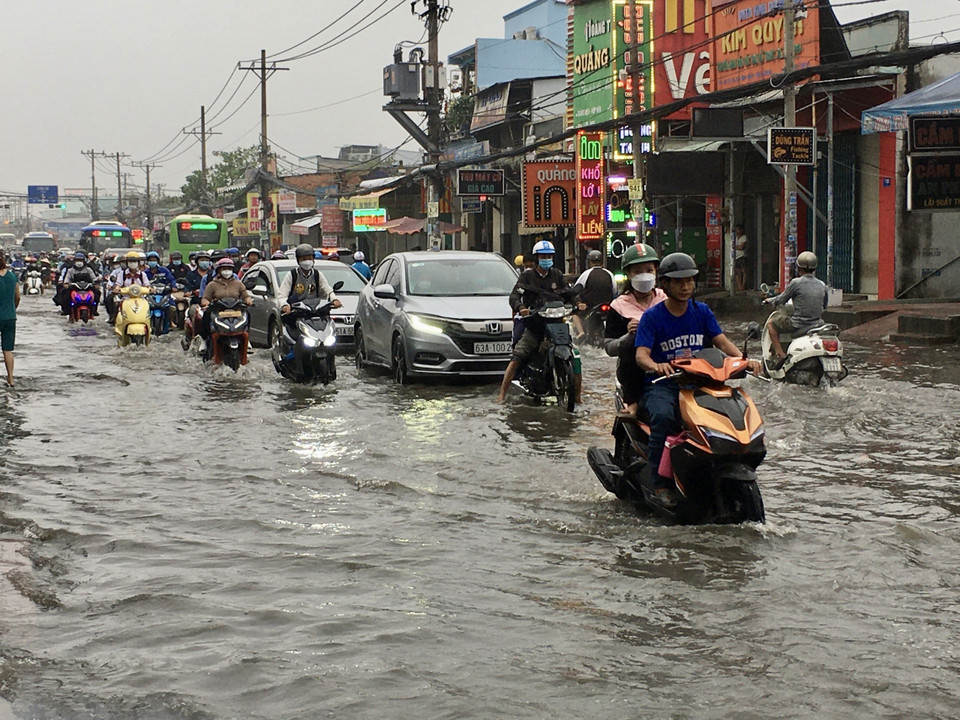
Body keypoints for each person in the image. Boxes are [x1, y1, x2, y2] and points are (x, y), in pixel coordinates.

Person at [634, 252, 760, 506]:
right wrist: (657, 366)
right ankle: (661, 484)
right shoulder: (652, 317)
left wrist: (745, 360)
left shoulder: (701, 311)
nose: (685, 287)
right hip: (665, 385)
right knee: (662, 417)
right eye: (678, 282)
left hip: (702, 383)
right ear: (666, 284)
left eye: (690, 281)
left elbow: (721, 342)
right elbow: (641, 355)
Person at [497, 240, 583, 403]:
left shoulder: (557, 275)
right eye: (543, 256)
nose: (546, 259)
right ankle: (502, 394)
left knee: (575, 356)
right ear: (536, 259)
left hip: (557, 323)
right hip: (535, 324)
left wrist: (578, 303)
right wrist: (521, 307)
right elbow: (514, 296)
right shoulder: (527, 276)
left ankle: (578, 397)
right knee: (518, 356)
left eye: (549, 256)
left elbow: (568, 293)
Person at [603, 243, 666, 416]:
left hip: (667, 360)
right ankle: (632, 402)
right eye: (637, 272)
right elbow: (609, 347)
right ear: (628, 275)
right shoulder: (619, 306)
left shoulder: (666, 300)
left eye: (648, 270)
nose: (644, 276)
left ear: (656, 272)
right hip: (633, 367)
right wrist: (627, 336)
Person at [763, 250, 828, 362]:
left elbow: (781, 299)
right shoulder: (822, 284)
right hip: (818, 324)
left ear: (799, 268)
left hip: (798, 324)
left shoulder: (796, 283)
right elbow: (825, 305)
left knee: (771, 325)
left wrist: (769, 301)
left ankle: (780, 354)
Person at [199, 258, 254, 345]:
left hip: (236, 309)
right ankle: (204, 340)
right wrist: (206, 302)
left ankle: (247, 338)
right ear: (219, 271)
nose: (227, 271)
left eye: (229, 269)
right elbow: (205, 298)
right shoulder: (212, 284)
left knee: (247, 313)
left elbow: (245, 295)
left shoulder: (238, 284)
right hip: (218, 309)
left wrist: (248, 300)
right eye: (224, 269)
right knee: (206, 315)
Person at [278, 244, 342, 314]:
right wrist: (285, 305)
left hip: (315, 312)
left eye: (309, 258)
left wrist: (334, 300)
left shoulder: (317, 275)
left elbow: (327, 290)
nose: (307, 261)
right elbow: (282, 295)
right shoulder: (292, 275)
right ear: (298, 260)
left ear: (313, 259)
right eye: (304, 259)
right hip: (297, 313)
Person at [571, 249, 617, 340]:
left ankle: (581, 333)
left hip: (590, 307)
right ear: (601, 262)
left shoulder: (586, 274)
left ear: (589, 262)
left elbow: (575, 290)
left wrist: (578, 302)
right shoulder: (609, 274)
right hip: (608, 305)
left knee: (574, 314)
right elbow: (615, 290)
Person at [106, 251, 150, 322]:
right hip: (125, 297)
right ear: (127, 262)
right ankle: (114, 318)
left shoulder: (142, 275)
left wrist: (150, 289)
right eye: (130, 261)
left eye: (134, 261)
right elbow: (118, 284)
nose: (133, 263)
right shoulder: (122, 274)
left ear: (138, 263)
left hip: (140, 298)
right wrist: (117, 289)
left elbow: (147, 285)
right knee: (115, 303)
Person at [0, 251, 21, 387]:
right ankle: (11, 379)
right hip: (10, 317)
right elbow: (17, 296)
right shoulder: (12, 276)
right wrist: (13, 308)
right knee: (7, 349)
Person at [734, 224, 749, 292]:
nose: (737, 231)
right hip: (736, 257)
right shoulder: (735, 237)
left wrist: (736, 247)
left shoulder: (744, 237)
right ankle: (739, 286)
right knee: (737, 272)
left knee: (744, 271)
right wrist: (737, 247)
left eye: (738, 229)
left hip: (742, 256)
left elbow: (741, 247)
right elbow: (733, 246)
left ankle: (743, 286)